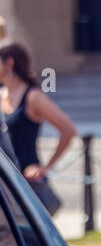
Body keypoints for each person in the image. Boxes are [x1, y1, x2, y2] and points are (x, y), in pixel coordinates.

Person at [0, 42, 76, 213]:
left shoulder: (33, 97)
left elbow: (68, 130)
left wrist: (46, 167)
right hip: (4, 184)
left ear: (9, 63)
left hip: (26, 184)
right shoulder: (1, 95)